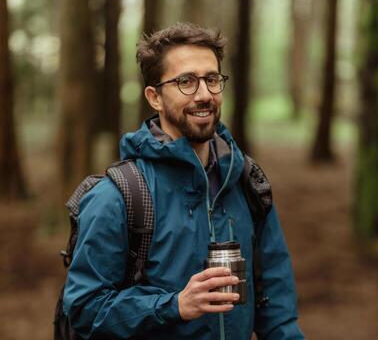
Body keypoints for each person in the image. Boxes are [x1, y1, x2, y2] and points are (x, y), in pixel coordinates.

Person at [61, 23, 304, 339]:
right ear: (155, 97)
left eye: (212, 79)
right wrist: (173, 305)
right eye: (186, 81)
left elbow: (278, 313)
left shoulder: (246, 182)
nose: (204, 95)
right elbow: (84, 308)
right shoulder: (118, 196)